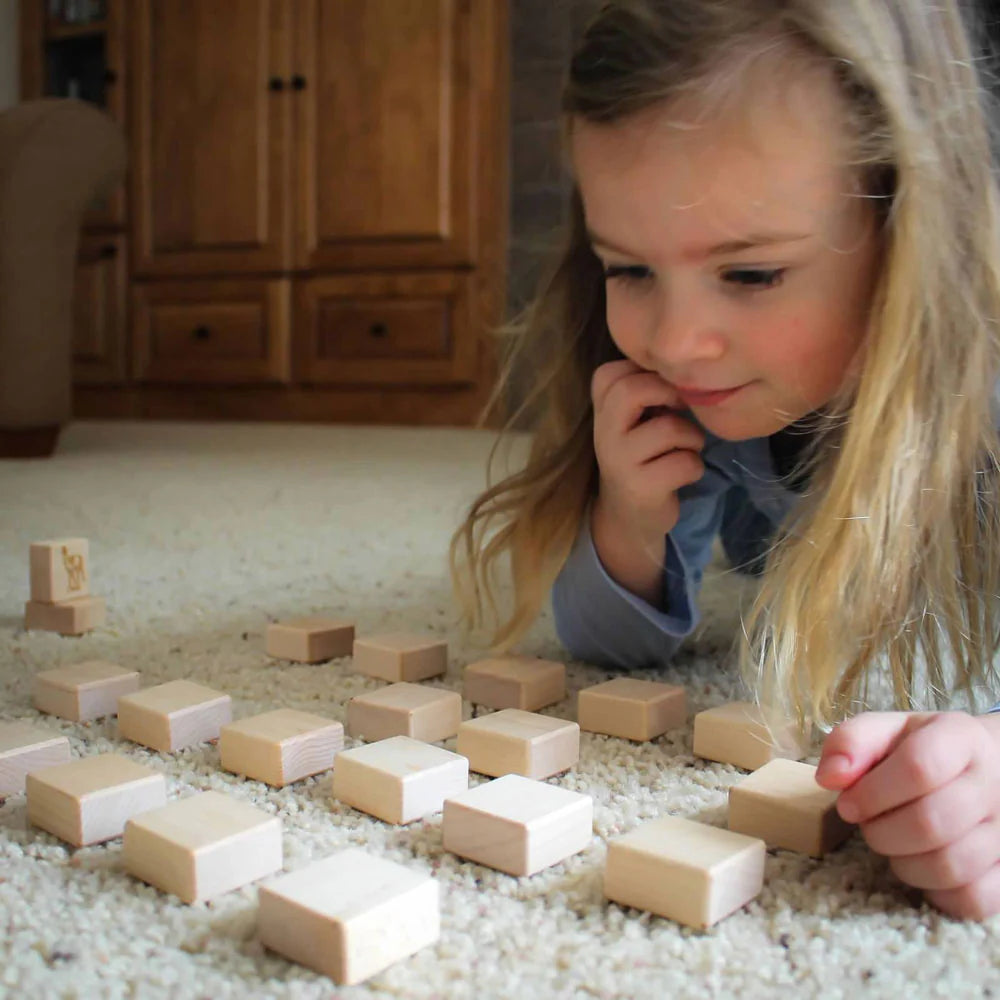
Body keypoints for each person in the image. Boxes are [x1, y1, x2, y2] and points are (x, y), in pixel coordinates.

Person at [451, 0, 1000, 919]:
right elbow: (608, 650)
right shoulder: (683, 388)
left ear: (913, 227)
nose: (677, 338)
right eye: (628, 269)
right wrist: (628, 517)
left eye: (750, 275)